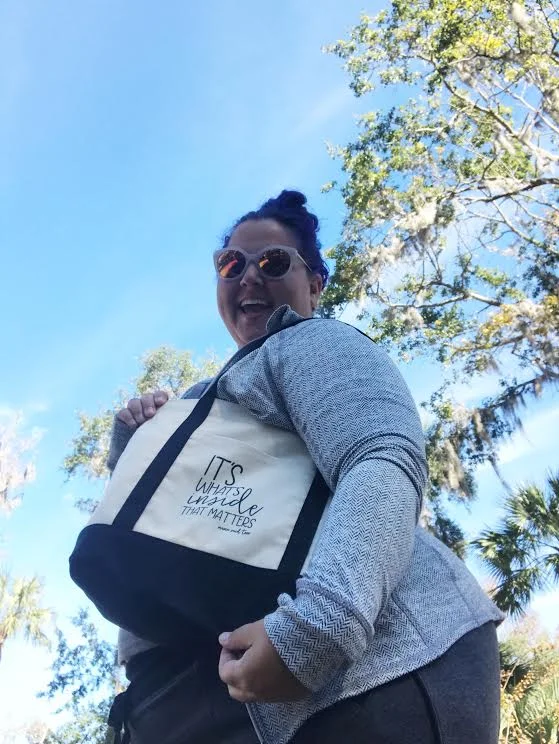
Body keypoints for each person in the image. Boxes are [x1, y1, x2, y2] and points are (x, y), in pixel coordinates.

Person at [107, 190, 504, 744]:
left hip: (371, 678)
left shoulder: (309, 342)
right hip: (198, 694)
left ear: (314, 284)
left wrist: (318, 631)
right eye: (231, 264)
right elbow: (172, 529)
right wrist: (135, 444)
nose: (249, 275)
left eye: (273, 261)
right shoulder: (204, 396)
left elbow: (381, 455)